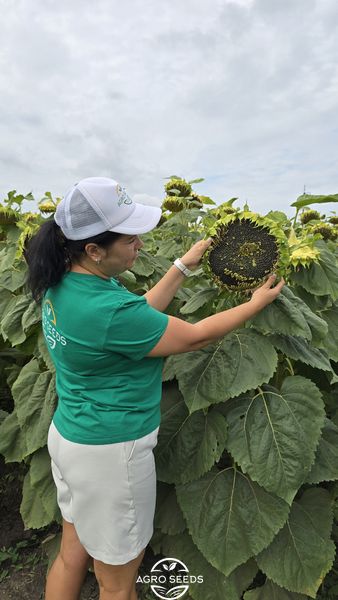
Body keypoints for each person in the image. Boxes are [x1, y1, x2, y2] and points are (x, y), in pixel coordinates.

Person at [24, 176, 285, 600]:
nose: (140, 246)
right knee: (117, 584)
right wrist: (254, 303)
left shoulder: (66, 283)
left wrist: (182, 266)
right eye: (130, 240)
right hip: (112, 456)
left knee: (72, 555)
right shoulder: (106, 309)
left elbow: (135, 318)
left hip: (72, 437)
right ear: (94, 249)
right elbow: (194, 336)